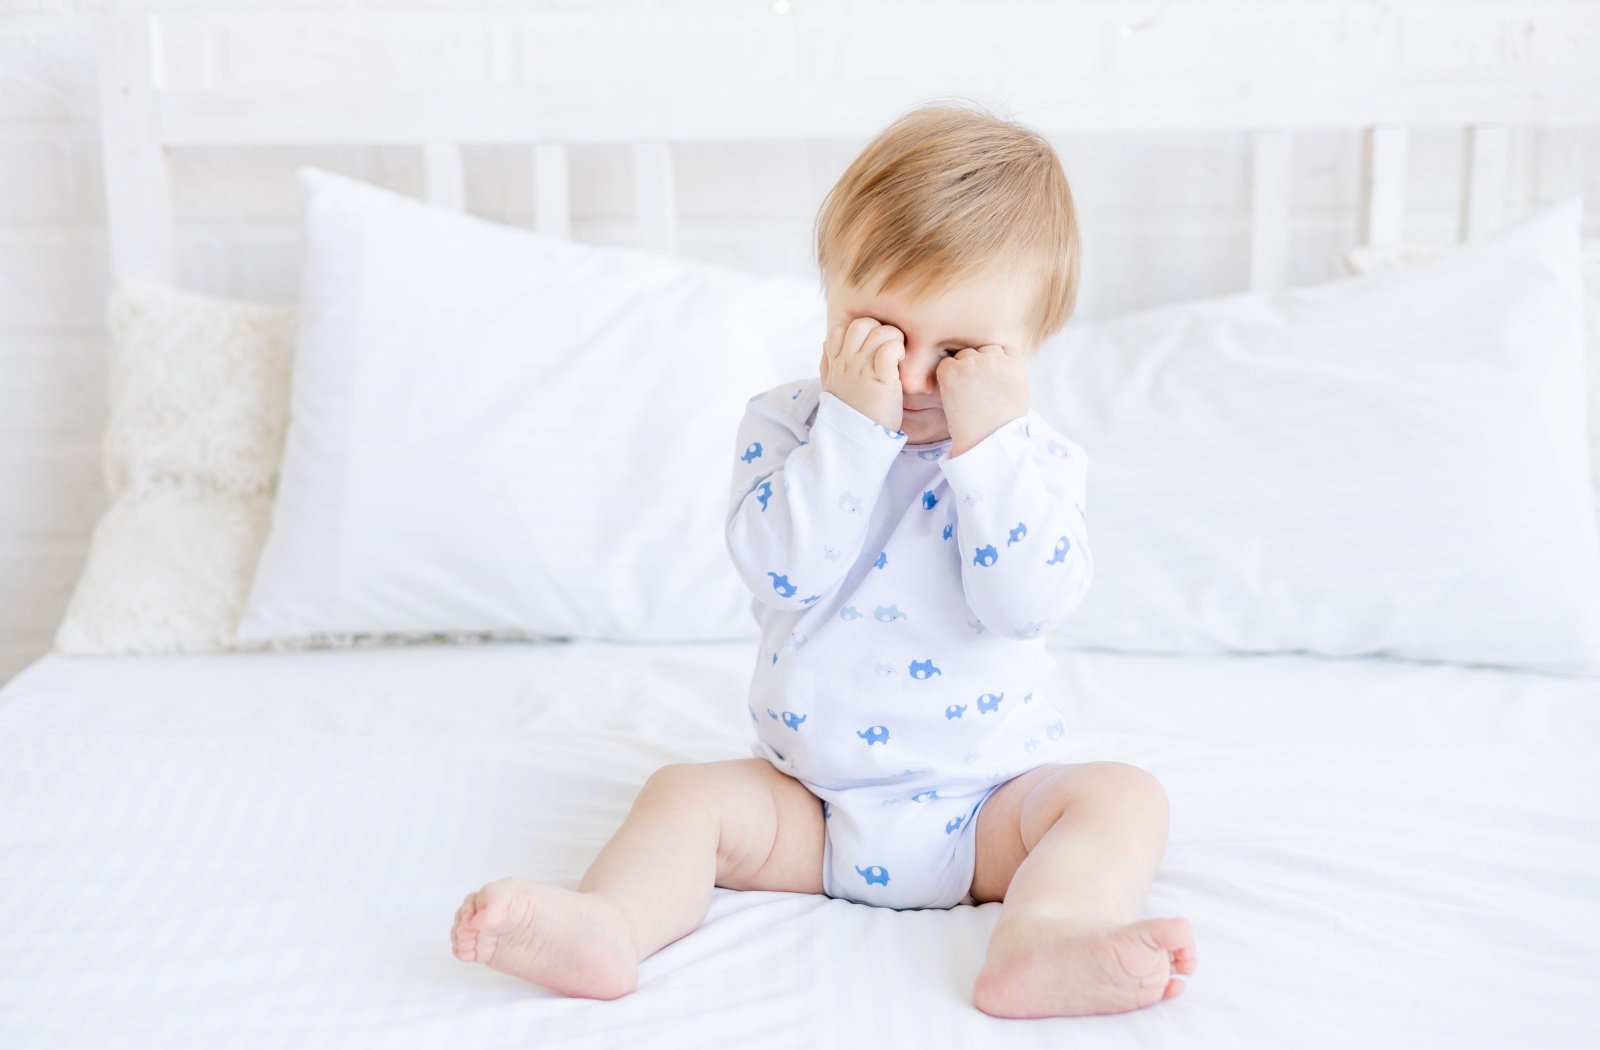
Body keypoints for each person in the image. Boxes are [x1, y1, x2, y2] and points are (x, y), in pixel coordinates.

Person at [451, 103, 1195, 1018]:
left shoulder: (1032, 463)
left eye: (961, 350)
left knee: (1124, 799)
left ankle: (1043, 940)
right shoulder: (792, 427)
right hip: (809, 806)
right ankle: (611, 924)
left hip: (990, 810)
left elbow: (1025, 605)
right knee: (684, 796)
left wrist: (990, 447)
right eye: (879, 332)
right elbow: (783, 574)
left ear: (1029, 347)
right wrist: (851, 427)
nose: (916, 377)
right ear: (831, 297)